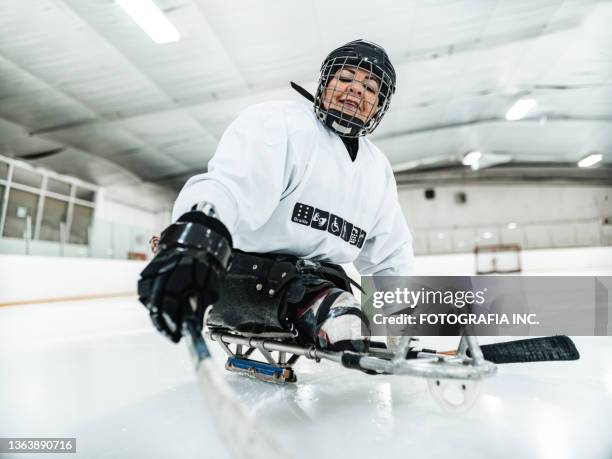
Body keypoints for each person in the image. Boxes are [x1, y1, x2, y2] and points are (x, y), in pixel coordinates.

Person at [138, 39, 414, 353]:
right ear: (325, 83)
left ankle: (330, 311)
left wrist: (400, 319)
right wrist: (198, 229)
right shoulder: (280, 123)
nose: (355, 90)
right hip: (247, 276)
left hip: (320, 283)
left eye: (370, 87)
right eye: (346, 78)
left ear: (379, 106)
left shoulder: (377, 168)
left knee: (352, 319)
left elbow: (390, 253)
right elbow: (230, 185)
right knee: (345, 322)